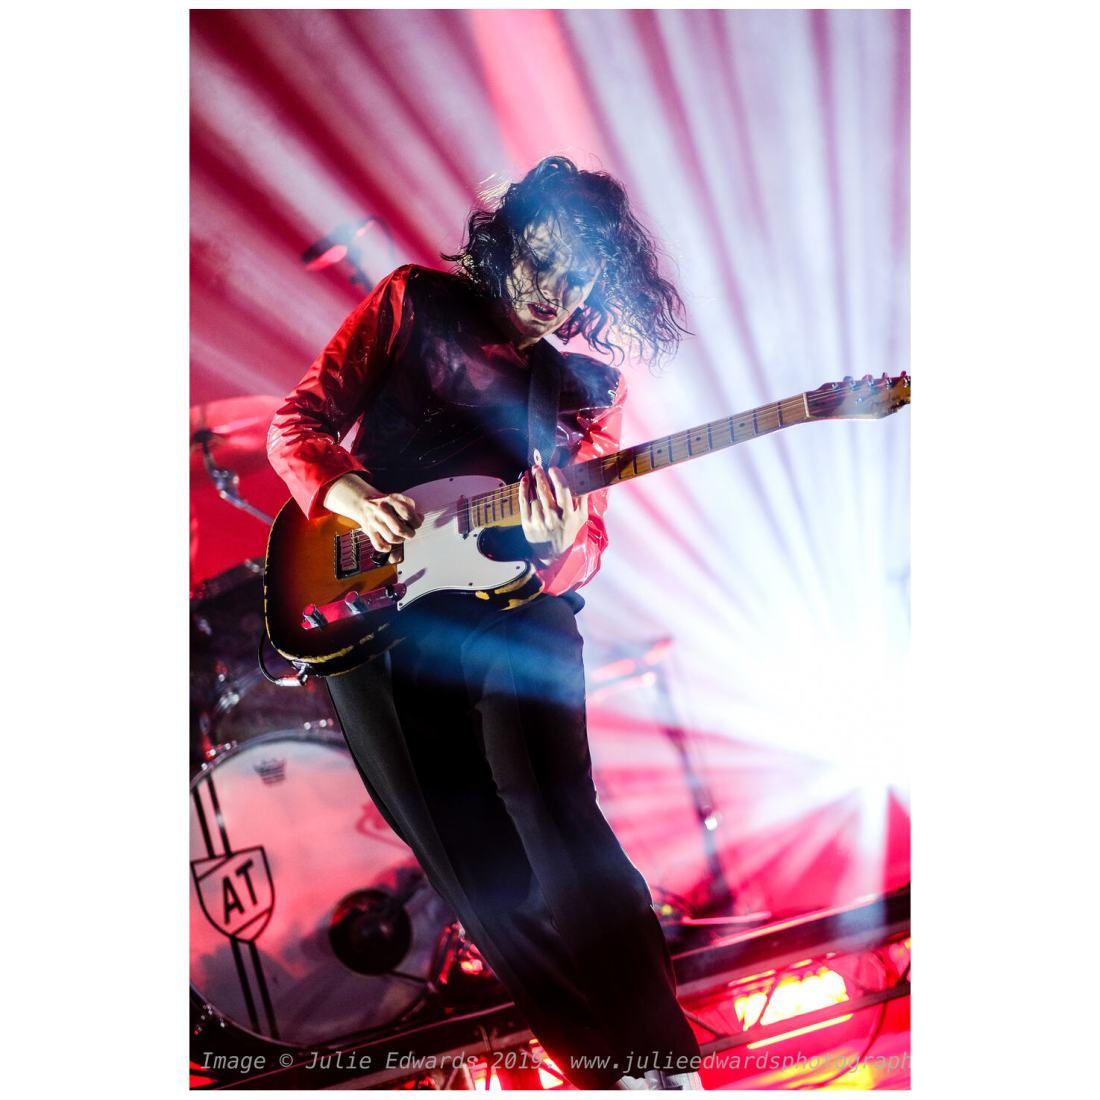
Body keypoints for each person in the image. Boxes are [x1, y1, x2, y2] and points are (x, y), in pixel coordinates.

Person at [267, 156, 703, 1090]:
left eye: (580, 277)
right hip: (384, 625)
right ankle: (603, 1074)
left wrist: (557, 546)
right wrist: (349, 495)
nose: (556, 293)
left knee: (563, 828)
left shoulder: (585, 382)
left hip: (517, 612)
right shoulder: (413, 304)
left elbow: (590, 545)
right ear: (506, 244)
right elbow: (294, 424)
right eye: (544, 262)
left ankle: (665, 1064)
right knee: (473, 871)